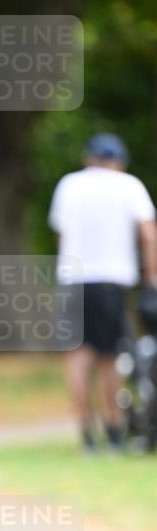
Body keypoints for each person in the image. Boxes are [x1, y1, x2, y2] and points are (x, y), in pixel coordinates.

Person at [48, 133, 157, 452]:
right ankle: (113, 430)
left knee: (78, 358)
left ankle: (86, 435)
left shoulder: (69, 184)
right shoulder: (129, 186)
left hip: (72, 279)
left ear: (88, 158)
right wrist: (151, 277)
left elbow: (60, 233)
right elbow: (148, 235)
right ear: (119, 161)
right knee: (110, 358)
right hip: (112, 281)